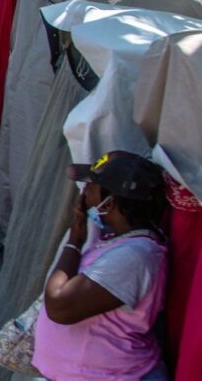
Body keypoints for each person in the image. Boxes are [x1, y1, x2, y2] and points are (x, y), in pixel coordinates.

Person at [33, 151, 168, 381]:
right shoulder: (117, 241)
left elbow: (59, 305)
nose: (84, 192)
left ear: (110, 203)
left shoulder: (135, 256)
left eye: (91, 187)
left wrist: (75, 240)